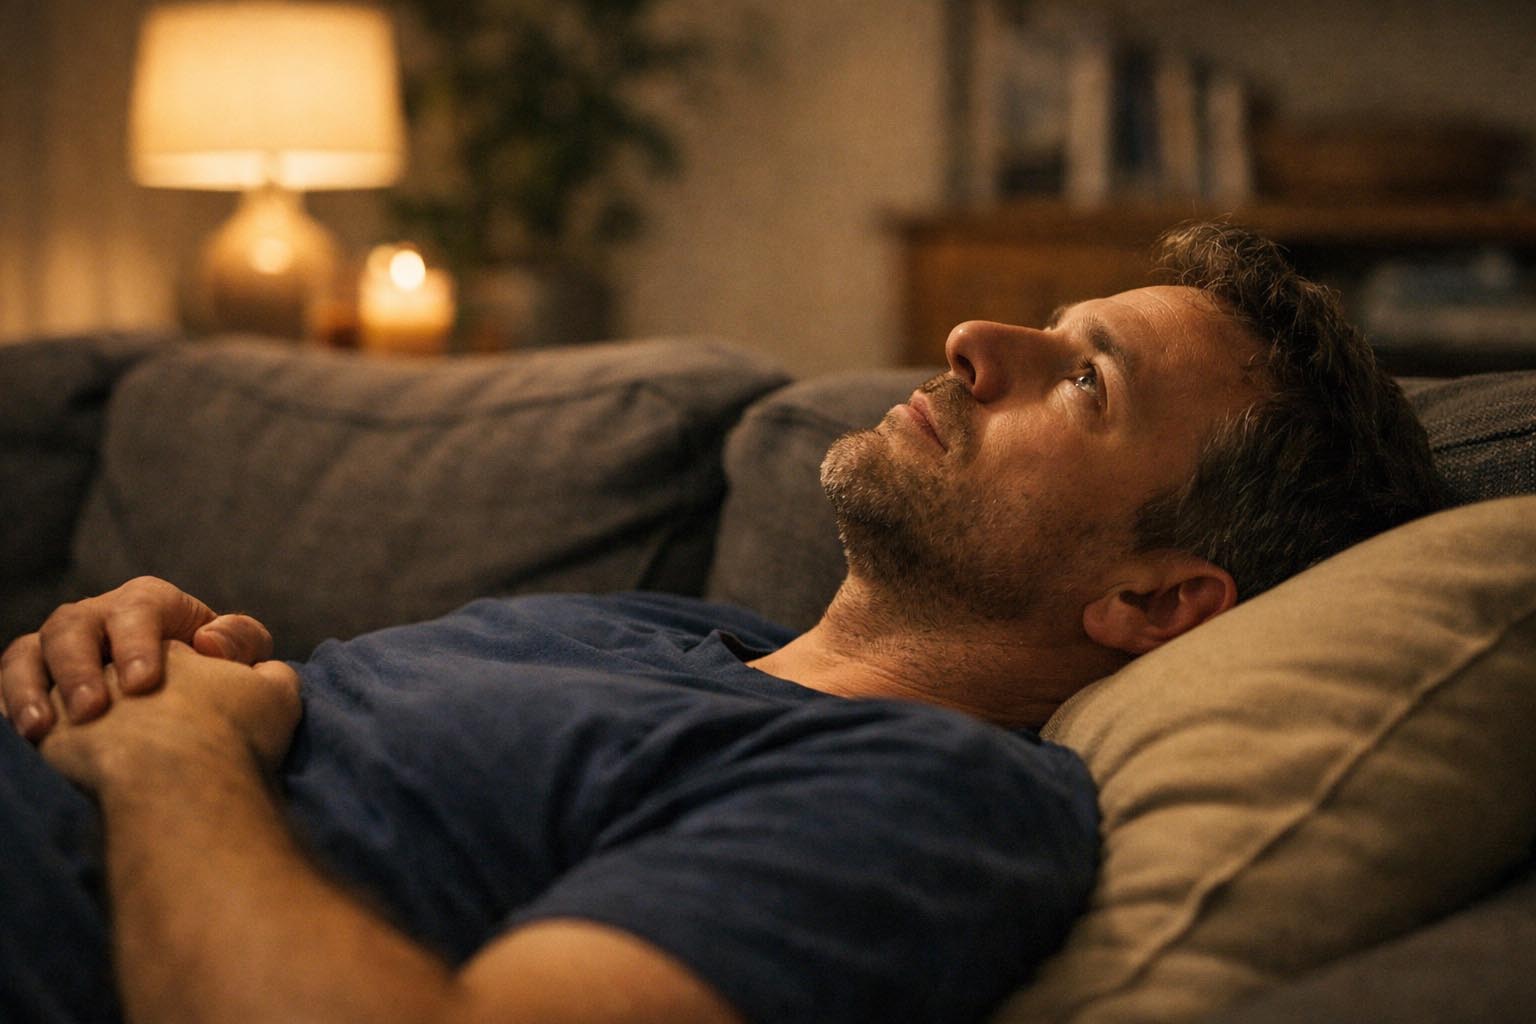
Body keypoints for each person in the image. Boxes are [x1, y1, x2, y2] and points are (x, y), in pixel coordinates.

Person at [0, 223, 1446, 1024]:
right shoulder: (658, 632)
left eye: (1086, 380)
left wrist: (161, 760)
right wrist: (118, 659)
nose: (974, 342)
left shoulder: (932, 805)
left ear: (1154, 600)